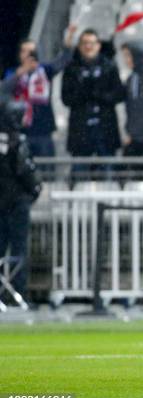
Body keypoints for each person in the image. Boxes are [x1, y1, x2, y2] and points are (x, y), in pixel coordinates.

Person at [1, 25, 77, 159]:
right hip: (19, 131)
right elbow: (4, 89)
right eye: (25, 51)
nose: (29, 55)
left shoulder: (45, 70)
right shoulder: (13, 73)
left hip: (43, 130)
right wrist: (21, 72)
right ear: (20, 54)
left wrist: (68, 39)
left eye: (32, 51)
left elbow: (63, 60)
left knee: (46, 170)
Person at [61, 29, 124, 178]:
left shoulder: (109, 66)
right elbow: (65, 98)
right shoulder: (72, 68)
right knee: (79, 174)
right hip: (80, 131)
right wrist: (83, 93)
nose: (88, 46)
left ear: (98, 45)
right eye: (84, 43)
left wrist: (99, 94)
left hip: (105, 130)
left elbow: (119, 94)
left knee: (108, 175)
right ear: (79, 46)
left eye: (92, 43)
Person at [0, 94, 42, 305]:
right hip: (16, 203)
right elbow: (26, 171)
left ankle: (2, 293)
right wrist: (35, 190)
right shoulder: (17, 141)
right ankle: (19, 293)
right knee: (19, 249)